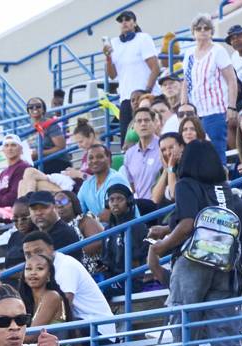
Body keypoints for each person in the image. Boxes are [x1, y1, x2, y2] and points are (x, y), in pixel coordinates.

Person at [147, 140, 242, 346]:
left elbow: (188, 224)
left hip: (212, 265)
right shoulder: (223, 190)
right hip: (228, 266)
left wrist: (162, 246)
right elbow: (208, 219)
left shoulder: (186, 184)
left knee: (184, 335)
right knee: (225, 339)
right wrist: (166, 228)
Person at [21, 232, 116, 339]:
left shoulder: (66, 265)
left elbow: (62, 307)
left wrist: (27, 336)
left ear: (51, 249)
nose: (34, 257)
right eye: (28, 254)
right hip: (78, 324)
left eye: (38, 251)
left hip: (97, 329)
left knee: (49, 329)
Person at [182, 14, 238, 166]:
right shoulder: (189, 54)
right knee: (196, 154)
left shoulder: (218, 51)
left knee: (216, 153)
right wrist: (183, 107)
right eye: (198, 28)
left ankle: (221, 186)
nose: (203, 31)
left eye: (206, 28)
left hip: (215, 111)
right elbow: (186, 82)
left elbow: (232, 80)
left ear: (212, 31)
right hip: (195, 113)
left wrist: (231, 106)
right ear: (193, 32)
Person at [103, 9, 159, 139]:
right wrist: (108, 57)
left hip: (145, 95)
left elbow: (155, 67)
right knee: (128, 138)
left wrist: (147, 92)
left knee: (150, 134)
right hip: (126, 97)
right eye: (121, 21)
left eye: (127, 19)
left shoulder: (143, 38)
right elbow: (112, 75)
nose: (124, 23)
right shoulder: (114, 43)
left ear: (134, 23)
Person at [76, 144, 129, 219]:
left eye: (100, 157)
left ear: (109, 159)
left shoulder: (116, 179)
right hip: (102, 228)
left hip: (124, 227)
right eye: (91, 158)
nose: (94, 161)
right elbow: (78, 211)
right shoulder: (86, 184)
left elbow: (108, 216)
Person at [19, 252, 71, 327]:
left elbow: (32, 335)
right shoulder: (26, 300)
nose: (33, 273)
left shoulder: (52, 296)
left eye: (40, 268)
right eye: (28, 269)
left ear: (48, 275)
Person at [121, 108, 162, 202]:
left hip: (161, 206)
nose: (143, 124)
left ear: (154, 123)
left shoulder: (163, 147)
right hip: (141, 206)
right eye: (139, 121)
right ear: (133, 126)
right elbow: (132, 186)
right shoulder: (129, 154)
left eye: (147, 120)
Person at [151, 132, 186, 205]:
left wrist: (171, 167)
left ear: (181, 147)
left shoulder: (188, 168)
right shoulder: (163, 169)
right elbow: (155, 199)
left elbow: (175, 195)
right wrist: (166, 169)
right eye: (163, 150)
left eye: (171, 147)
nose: (168, 153)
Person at [4, 199, 36, 265]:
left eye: (24, 218)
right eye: (15, 219)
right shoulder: (14, 236)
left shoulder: (39, 236)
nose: (20, 222)